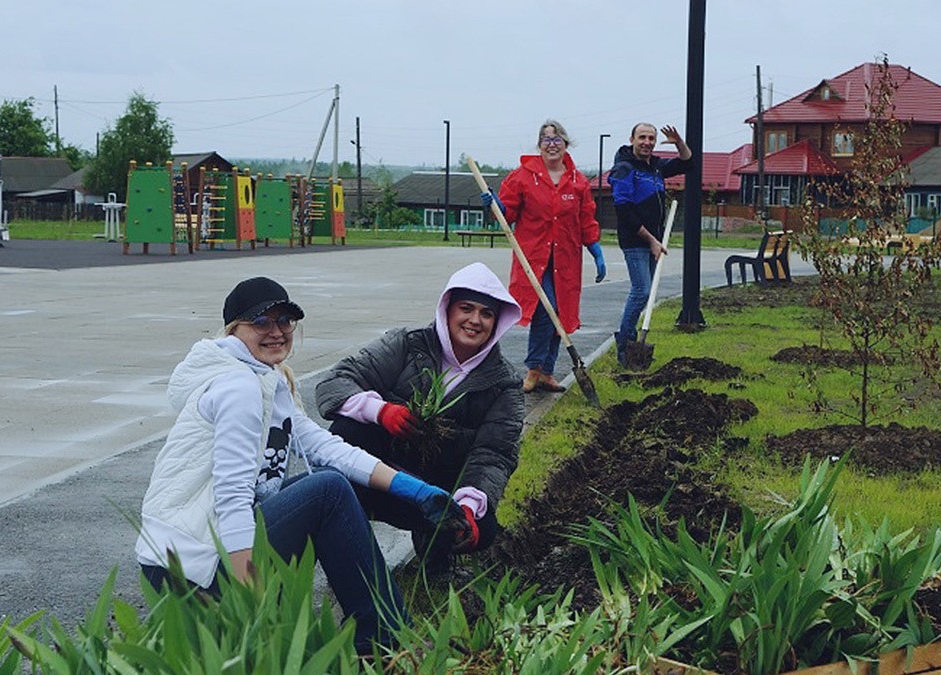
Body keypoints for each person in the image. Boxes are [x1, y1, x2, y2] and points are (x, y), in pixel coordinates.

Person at [135, 276, 464, 654]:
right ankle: (386, 641)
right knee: (327, 491)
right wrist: (249, 603)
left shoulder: (266, 380)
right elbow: (231, 497)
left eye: (284, 321)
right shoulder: (238, 388)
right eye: (261, 322)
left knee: (326, 479)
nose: (276, 332)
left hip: (207, 554)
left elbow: (325, 447)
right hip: (191, 572)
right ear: (233, 330)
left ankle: (379, 635)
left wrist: (413, 488)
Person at [315, 262, 524, 572]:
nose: (474, 320)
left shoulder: (504, 381)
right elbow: (335, 382)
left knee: (484, 527)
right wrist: (381, 411)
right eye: (466, 308)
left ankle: (435, 551)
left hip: (438, 491)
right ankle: (349, 543)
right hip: (386, 476)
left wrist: (466, 507)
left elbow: (494, 453)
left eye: (486, 313)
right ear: (447, 309)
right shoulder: (407, 344)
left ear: (497, 323)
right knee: (349, 430)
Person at [480, 119, 606, 394]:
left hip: (566, 259)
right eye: (546, 139)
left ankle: (547, 372)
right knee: (544, 310)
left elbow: (586, 218)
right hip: (534, 257)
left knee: (559, 313)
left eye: (557, 138)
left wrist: (595, 250)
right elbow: (508, 213)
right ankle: (534, 368)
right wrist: (496, 206)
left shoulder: (578, 181)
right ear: (539, 145)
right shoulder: (522, 176)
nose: (551, 144)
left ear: (566, 144)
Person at [608, 123, 694, 367]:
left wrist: (678, 142)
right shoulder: (624, 169)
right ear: (632, 139)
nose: (647, 142)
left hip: (655, 241)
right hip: (636, 240)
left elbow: (688, 163)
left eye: (651, 138)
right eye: (642, 137)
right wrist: (652, 240)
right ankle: (625, 345)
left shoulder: (655, 167)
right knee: (642, 291)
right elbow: (623, 210)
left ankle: (631, 346)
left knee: (645, 293)